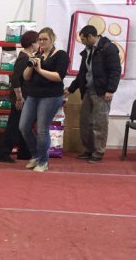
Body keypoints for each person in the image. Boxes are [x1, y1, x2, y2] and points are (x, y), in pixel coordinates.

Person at [63, 24, 121, 163]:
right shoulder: (87, 51)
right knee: (85, 122)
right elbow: (82, 73)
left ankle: (98, 152)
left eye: (83, 40)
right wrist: (71, 89)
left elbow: (115, 71)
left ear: (90, 37)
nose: (82, 42)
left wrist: (110, 90)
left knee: (99, 123)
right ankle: (88, 149)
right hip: (88, 90)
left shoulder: (109, 48)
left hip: (102, 92)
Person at [19, 27, 69, 172]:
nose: (42, 42)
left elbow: (59, 76)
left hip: (51, 96)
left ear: (52, 39)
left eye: (45, 39)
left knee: (42, 129)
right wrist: (31, 64)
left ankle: (43, 161)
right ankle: (35, 155)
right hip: (33, 95)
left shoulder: (60, 55)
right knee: (24, 127)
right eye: (39, 39)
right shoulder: (37, 55)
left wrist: (40, 70)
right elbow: (26, 77)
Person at [0, 30, 37, 163]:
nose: (39, 44)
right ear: (31, 43)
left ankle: (24, 152)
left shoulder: (29, 57)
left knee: (25, 125)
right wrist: (19, 98)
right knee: (14, 125)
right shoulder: (24, 58)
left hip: (25, 97)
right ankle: (3, 152)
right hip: (21, 98)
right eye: (37, 41)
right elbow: (15, 79)